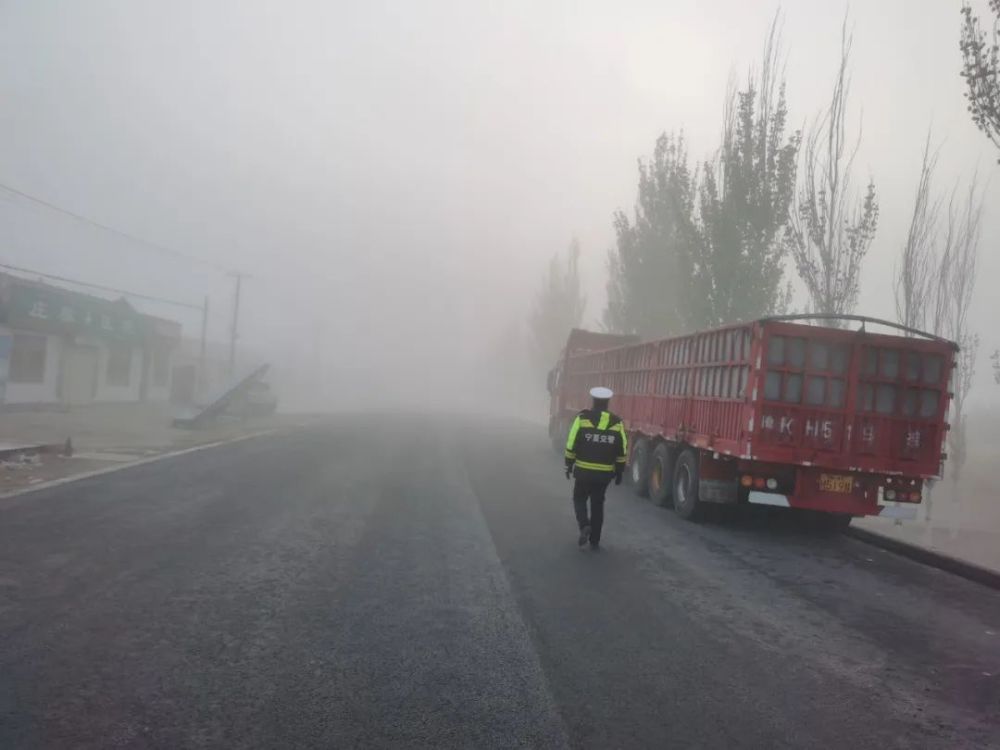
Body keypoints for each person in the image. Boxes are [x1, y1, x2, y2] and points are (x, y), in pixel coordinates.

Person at [563, 386, 628, 550]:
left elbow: (571, 443)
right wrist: (620, 471)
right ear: (607, 403)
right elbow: (622, 449)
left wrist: (568, 464)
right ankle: (595, 540)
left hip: (583, 472)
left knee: (579, 499)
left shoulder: (582, 419)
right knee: (598, 504)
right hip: (604, 474)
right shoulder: (617, 423)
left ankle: (584, 525)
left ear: (593, 401)